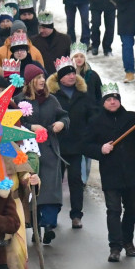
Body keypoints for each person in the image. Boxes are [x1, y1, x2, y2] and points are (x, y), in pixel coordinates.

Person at [82, 82, 135, 262]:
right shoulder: (96, 121)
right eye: (109, 99)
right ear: (103, 102)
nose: (112, 102)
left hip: (130, 172)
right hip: (111, 173)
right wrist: (100, 149)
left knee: (131, 209)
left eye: (115, 99)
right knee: (113, 210)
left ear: (120, 101)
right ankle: (115, 246)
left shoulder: (132, 118)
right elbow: (85, 146)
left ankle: (128, 241)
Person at [17, 64, 68, 242]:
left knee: (51, 190)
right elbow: (11, 123)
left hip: (50, 150)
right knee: (33, 189)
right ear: (30, 81)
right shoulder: (19, 100)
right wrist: (30, 127)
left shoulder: (51, 100)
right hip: (28, 152)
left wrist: (62, 123)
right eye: (38, 77)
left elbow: (64, 116)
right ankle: (36, 226)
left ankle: (48, 225)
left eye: (42, 77)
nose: (41, 80)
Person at [50, 57, 94, 229]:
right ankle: (53, 214)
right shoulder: (52, 96)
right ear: (60, 77)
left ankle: (76, 215)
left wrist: (89, 135)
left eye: (73, 73)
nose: (71, 76)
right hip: (57, 146)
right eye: (67, 74)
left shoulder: (83, 94)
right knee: (55, 182)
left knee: (76, 181)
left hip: (76, 145)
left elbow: (92, 116)